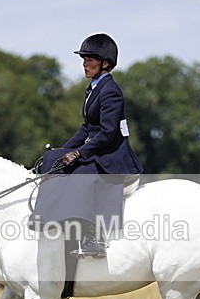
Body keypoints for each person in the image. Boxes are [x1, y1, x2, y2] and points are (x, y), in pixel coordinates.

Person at [30, 33, 143, 259]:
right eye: (83, 59)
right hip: (99, 148)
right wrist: (62, 151)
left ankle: (93, 238)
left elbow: (108, 132)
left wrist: (79, 153)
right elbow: (86, 128)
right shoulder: (94, 87)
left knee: (80, 175)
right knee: (53, 159)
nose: (84, 64)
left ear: (105, 63)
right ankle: (49, 220)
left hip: (112, 155)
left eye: (89, 60)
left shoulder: (110, 90)